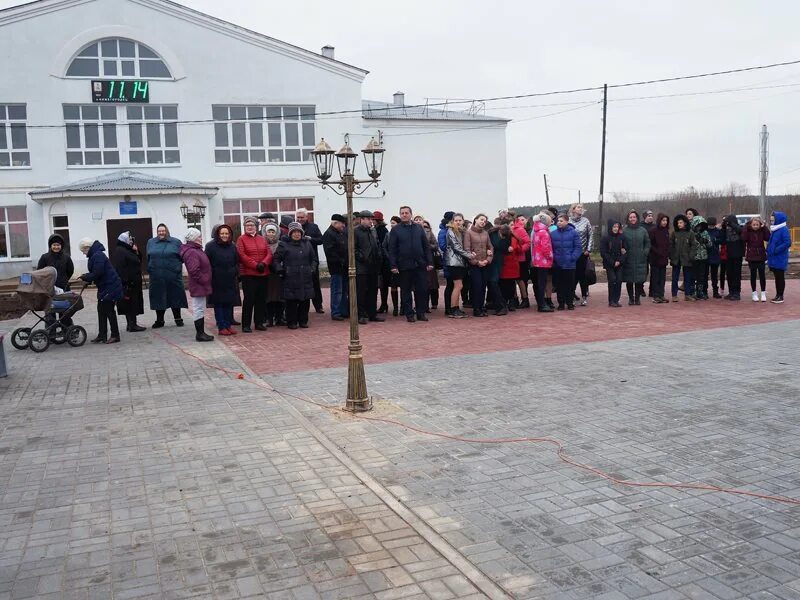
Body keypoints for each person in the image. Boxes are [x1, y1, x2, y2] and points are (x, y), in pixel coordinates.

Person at [388, 206, 434, 323]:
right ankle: (409, 314)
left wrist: (429, 262)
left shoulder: (418, 228)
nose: (404, 215)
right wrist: (393, 265)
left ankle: (421, 313)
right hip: (404, 265)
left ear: (410, 214)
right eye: (402, 213)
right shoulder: (396, 230)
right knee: (406, 291)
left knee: (421, 290)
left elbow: (426, 246)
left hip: (420, 264)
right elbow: (392, 249)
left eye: (406, 213)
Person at [78, 238, 123, 344]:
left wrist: (85, 277)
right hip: (104, 287)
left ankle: (115, 335)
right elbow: (96, 273)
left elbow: (98, 272)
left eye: (83, 251)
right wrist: (88, 278)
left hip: (110, 286)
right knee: (101, 311)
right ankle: (102, 335)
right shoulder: (95, 255)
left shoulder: (97, 255)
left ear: (87, 248)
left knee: (109, 311)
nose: (84, 254)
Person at [274, 222, 318, 329]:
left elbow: (314, 259)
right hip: (290, 277)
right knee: (291, 301)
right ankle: (292, 321)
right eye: (294, 232)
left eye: (299, 232)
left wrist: (312, 269)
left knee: (305, 300)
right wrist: (280, 270)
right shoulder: (284, 244)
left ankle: (303, 320)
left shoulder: (307, 243)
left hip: (305, 276)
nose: (297, 234)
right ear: (290, 233)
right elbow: (276, 259)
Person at [147, 224, 187, 328]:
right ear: (157, 232)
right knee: (158, 298)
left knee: (175, 296)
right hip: (156, 277)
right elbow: (149, 257)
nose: (161, 233)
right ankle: (160, 320)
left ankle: (178, 319)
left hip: (173, 276)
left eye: (163, 231)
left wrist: (176, 268)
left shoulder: (176, 242)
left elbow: (183, 257)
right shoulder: (151, 242)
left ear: (167, 231)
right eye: (159, 231)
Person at [236, 216, 272, 332]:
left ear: (256, 226)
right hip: (249, 274)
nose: (250, 227)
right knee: (249, 300)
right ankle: (246, 325)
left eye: (252, 225)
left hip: (263, 273)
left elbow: (269, 253)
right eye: (247, 225)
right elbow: (242, 255)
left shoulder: (262, 238)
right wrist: (255, 265)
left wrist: (264, 263)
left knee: (261, 300)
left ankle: (259, 322)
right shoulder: (241, 239)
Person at [179, 228, 214, 342]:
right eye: (199, 236)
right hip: (198, 284)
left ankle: (201, 332)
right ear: (193, 238)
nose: (201, 238)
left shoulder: (195, 249)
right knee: (198, 308)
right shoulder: (192, 252)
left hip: (200, 284)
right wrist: (205, 279)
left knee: (200, 308)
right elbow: (194, 271)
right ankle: (200, 333)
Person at [205, 224, 239, 336]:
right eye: (222, 233)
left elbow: (236, 261)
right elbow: (207, 263)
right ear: (218, 234)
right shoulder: (210, 246)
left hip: (230, 279)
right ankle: (221, 326)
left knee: (229, 303)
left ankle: (228, 325)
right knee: (219, 304)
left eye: (226, 233)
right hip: (216, 280)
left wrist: (235, 271)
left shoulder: (233, 246)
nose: (224, 235)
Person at [111, 231, 145, 332]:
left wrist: (137, 251)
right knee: (129, 303)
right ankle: (131, 325)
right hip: (128, 283)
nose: (131, 241)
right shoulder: (120, 251)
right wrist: (126, 281)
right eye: (129, 239)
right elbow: (120, 268)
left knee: (133, 303)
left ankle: (132, 324)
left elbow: (137, 261)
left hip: (133, 283)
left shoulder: (128, 250)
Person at [354, 210, 384, 324]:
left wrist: (379, 256)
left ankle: (372, 313)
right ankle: (361, 315)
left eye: (372, 219)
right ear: (362, 219)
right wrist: (363, 257)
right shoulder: (355, 231)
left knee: (373, 291)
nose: (371, 221)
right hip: (361, 267)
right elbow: (353, 249)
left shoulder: (372, 231)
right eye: (369, 219)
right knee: (361, 292)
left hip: (373, 266)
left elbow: (376, 244)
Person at [463, 213, 494, 317]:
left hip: (485, 263)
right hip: (474, 264)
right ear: (475, 219)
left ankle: (481, 306)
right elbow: (467, 249)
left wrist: (488, 260)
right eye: (481, 219)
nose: (483, 222)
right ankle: (476, 308)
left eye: (484, 221)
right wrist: (476, 262)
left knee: (483, 286)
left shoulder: (485, 233)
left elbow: (490, 247)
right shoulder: (469, 233)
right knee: (477, 285)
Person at [550, 213, 582, 310]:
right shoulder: (553, 234)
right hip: (558, 263)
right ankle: (561, 303)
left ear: (567, 221)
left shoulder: (574, 233)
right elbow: (551, 248)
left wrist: (572, 258)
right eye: (558, 221)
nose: (559, 223)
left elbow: (578, 247)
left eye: (561, 221)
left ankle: (570, 302)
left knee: (570, 284)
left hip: (570, 264)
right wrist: (555, 257)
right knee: (559, 285)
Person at [444, 213, 473, 318]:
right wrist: (469, 255)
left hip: (461, 262)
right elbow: (456, 247)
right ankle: (453, 308)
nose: (458, 222)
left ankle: (455, 307)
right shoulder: (451, 231)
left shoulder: (463, 232)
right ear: (452, 221)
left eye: (460, 220)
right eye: (456, 220)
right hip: (454, 262)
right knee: (458, 285)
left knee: (458, 286)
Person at [295, 208, 324, 313]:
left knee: (315, 283)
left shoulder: (313, 227)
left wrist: (311, 239)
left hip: (311, 260)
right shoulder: (294, 227)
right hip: (298, 261)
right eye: (298, 217)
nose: (300, 219)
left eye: (302, 217)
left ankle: (318, 305)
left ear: (307, 217)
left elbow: (321, 240)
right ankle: (300, 306)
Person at [322, 214, 349, 321]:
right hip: (336, 267)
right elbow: (330, 252)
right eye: (342, 223)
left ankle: (343, 311)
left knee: (343, 290)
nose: (343, 225)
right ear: (335, 223)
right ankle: (336, 312)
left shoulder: (340, 233)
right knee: (337, 290)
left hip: (344, 267)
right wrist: (341, 260)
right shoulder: (329, 234)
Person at [622, 210, 651, 305]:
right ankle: (631, 298)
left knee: (639, 280)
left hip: (640, 258)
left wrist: (645, 252)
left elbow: (647, 242)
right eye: (630, 217)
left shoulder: (642, 230)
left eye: (634, 217)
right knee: (629, 280)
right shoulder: (624, 231)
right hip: (628, 259)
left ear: (637, 218)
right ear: (628, 219)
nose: (632, 219)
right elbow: (621, 243)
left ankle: (637, 298)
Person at [569, 203, 594, 306]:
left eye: (581, 207)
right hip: (571, 253)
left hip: (583, 253)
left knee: (582, 276)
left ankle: (584, 296)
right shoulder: (569, 221)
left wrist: (588, 249)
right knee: (572, 276)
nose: (580, 209)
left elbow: (590, 235)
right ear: (573, 209)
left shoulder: (585, 221)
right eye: (578, 207)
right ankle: (571, 296)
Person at [741, 216, 770, 302]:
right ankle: (754, 293)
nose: (755, 226)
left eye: (757, 224)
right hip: (751, 256)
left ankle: (763, 292)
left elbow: (768, 237)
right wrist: (746, 226)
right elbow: (743, 238)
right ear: (751, 224)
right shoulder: (748, 231)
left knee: (762, 275)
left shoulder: (762, 231)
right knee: (753, 275)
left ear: (759, 224)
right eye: (754, 224)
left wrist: (764, 227)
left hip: (761, 255)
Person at [530, 212, 554, 313]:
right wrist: (550, 256)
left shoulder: (536, 231)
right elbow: (546, 247)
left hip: (537, 260)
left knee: (540, 282)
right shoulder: (544, 232)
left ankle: (541, 302)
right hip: (543, 261)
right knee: (542, 283)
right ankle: (542, 304)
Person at [600, 219, 627, 307]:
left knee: (619, 280)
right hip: (609, 263)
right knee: (612, 280)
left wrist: (620, 260)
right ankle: (611, 300)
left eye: (617, 227)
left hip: (620, 263)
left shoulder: (622, 237)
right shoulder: (605, 237)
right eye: (614, 227)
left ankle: (616, 299)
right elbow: (603, 252)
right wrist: (612, 262)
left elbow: (625, 250)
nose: (615, 229)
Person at [669, 214, 696, 302]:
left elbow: (694, 245)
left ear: (685, 223)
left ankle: (687, 294)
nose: (679, 224)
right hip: (676, 259)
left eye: (681, 222)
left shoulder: (690, 233)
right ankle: (674, 295)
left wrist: (691, 256)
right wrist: (672, 256)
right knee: (675, 278)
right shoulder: (674, 233)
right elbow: (671, 245)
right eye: (677, 223)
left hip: (687, 259)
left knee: (687, 277)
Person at [263, 224, 285, 326]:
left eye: (273, 232)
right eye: (269, 232)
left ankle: (279, 317)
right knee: (268, 297)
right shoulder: (262, 243)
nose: (271, 234)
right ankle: (269, 318)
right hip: (267, 274)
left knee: (279, 297)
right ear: (265, 233)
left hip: (278, 274)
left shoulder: (281, 244)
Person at [766, 210, 790, 303]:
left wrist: (776, 250)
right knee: (777, 277)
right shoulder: (775, 229)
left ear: (778, 220)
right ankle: (777, 295)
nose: (771, 222)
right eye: (771, 220)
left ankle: (780, 296)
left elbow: (787, 242)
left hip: (780, 258)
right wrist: (768, 249)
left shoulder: (783, 229)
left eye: (773, 220)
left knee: (780, 277)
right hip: (774, 258)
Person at [496, 223, 519, 315]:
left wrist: (512, 249)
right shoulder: (513, 238)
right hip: (508, 264)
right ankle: (510, 301)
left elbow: (515, 248)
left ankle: (509, 302)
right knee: (509, 284)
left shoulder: (510, 239)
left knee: (507, 284)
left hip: (508, 264)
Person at [720, 214, 744, 301]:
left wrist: (732, 224)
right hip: (728, 255)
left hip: (737, 254)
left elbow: (741, 231)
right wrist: (723, 228)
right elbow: (722, 240)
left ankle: (737, 292)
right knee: (729, 274)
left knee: (736, 274)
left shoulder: (739, 228)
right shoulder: (726, 230)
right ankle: (731, 292)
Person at [382, 216, 402, 316]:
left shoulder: (403, 233)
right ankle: (395, 308)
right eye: (391, 223)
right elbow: (384, 246)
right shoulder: (388, 235)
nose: (392, 225)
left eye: (393, 222)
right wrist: (389, 256)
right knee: (393, 286)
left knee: (404, 286)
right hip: (392, 263)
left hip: (402, 263)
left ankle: (403, 307)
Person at [648, 214, 670, 303]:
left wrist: (667, 252)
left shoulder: (666, 231)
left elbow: (668, 244)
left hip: (664, 258)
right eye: (663, 220)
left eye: (666, 220)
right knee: (655, 277)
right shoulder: (653, 230)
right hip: (655, 258)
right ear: (659, 221)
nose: (664, 222)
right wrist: (657, 251)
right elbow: (650, 244)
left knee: (662, 278)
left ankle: (661, 294)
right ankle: (655, 295)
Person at [373, 211, 392, 314]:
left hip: (383, 262)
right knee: (381, 285)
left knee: (383, 285)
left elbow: (382, 246)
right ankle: (383, 304)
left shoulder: (382, 231)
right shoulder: (376, 230)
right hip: (380, 262)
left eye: (373, 220)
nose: (372, 221)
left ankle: (384, 304)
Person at [690, 215, 713, 300]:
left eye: (701, 225)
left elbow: (710, 245)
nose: (699, 227)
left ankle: (700, 291)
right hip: (694, 257)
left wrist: (704, 241)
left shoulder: (705, 233)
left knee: (701, 276)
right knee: (693, 275)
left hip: (703, 257)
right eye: (698, 225)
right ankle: (692, 292)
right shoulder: (691, 233)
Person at [511, 215, 531, 308]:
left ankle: (525, 299)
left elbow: (528, 242)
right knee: (511, 279)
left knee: (520, 279)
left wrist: (520, 249)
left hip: (520, 258)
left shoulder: (520, 229)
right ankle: (514, 299)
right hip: (510, 258)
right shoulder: (506, 229)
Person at [421, 220, 441, 311]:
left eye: (426, 226)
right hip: (420, 261)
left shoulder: (430, 233)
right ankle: (423, 304)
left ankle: (434, 303)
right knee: (422, 284)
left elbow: (436, 245)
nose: (424, 227)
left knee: (432, 283)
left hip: (430, 260)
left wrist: (426, 246)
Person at [439, 211, 454, 315]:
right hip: (449, 261)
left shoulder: (452, 230)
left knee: (454, 285)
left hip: (454, 261)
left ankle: (453, 306)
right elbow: (443, 246)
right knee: (450, 285)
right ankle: (448, 308)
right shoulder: (443, 231)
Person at [706, 217, 723, 298]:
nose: (711, 227)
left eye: (712, 226)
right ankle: (704, 291)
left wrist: (716, 240)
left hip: (715, 255)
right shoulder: (705, 231)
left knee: (714, 275)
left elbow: (722, 240)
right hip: (706, 255)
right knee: (704, 274)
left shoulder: (718, 231)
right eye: (710, 226)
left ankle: (715, 291)